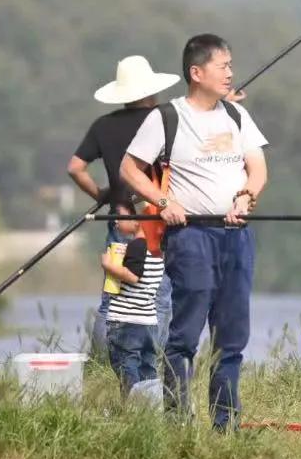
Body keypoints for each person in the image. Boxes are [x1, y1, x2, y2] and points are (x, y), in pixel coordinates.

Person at [120, 33, 269, 430]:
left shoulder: (238, 117)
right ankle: (178, 424)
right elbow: (129, 169)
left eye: (230, 66)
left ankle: (226, 426)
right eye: (223, 66)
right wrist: (165, 203)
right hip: (190, 238)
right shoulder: (166, 118)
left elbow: (257, 168)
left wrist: (246, 196)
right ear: (196, 72)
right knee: (185, 335)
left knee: (232, 338)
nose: (230, 74)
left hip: (236, 237)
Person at [68, 55, 180, 357]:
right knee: (157, 295)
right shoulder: (165, 121)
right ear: (150, 90)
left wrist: (102, 195)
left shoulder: (103, 125)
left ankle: (105, 360)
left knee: (113, 294)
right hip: (154, 223)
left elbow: (75, 168)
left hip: (120, 220)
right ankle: (154, 362)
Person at [99, 203, 165, 396]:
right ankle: (151, 410)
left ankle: (133, 412)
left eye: (120, 217)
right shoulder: (157, 249)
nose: (116, 222)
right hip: (149, 323)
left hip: (126, 322)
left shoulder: (137, 245)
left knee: (127, 371)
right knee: (148, 373)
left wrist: (108, 265)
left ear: (138, 220)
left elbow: (133, 276)